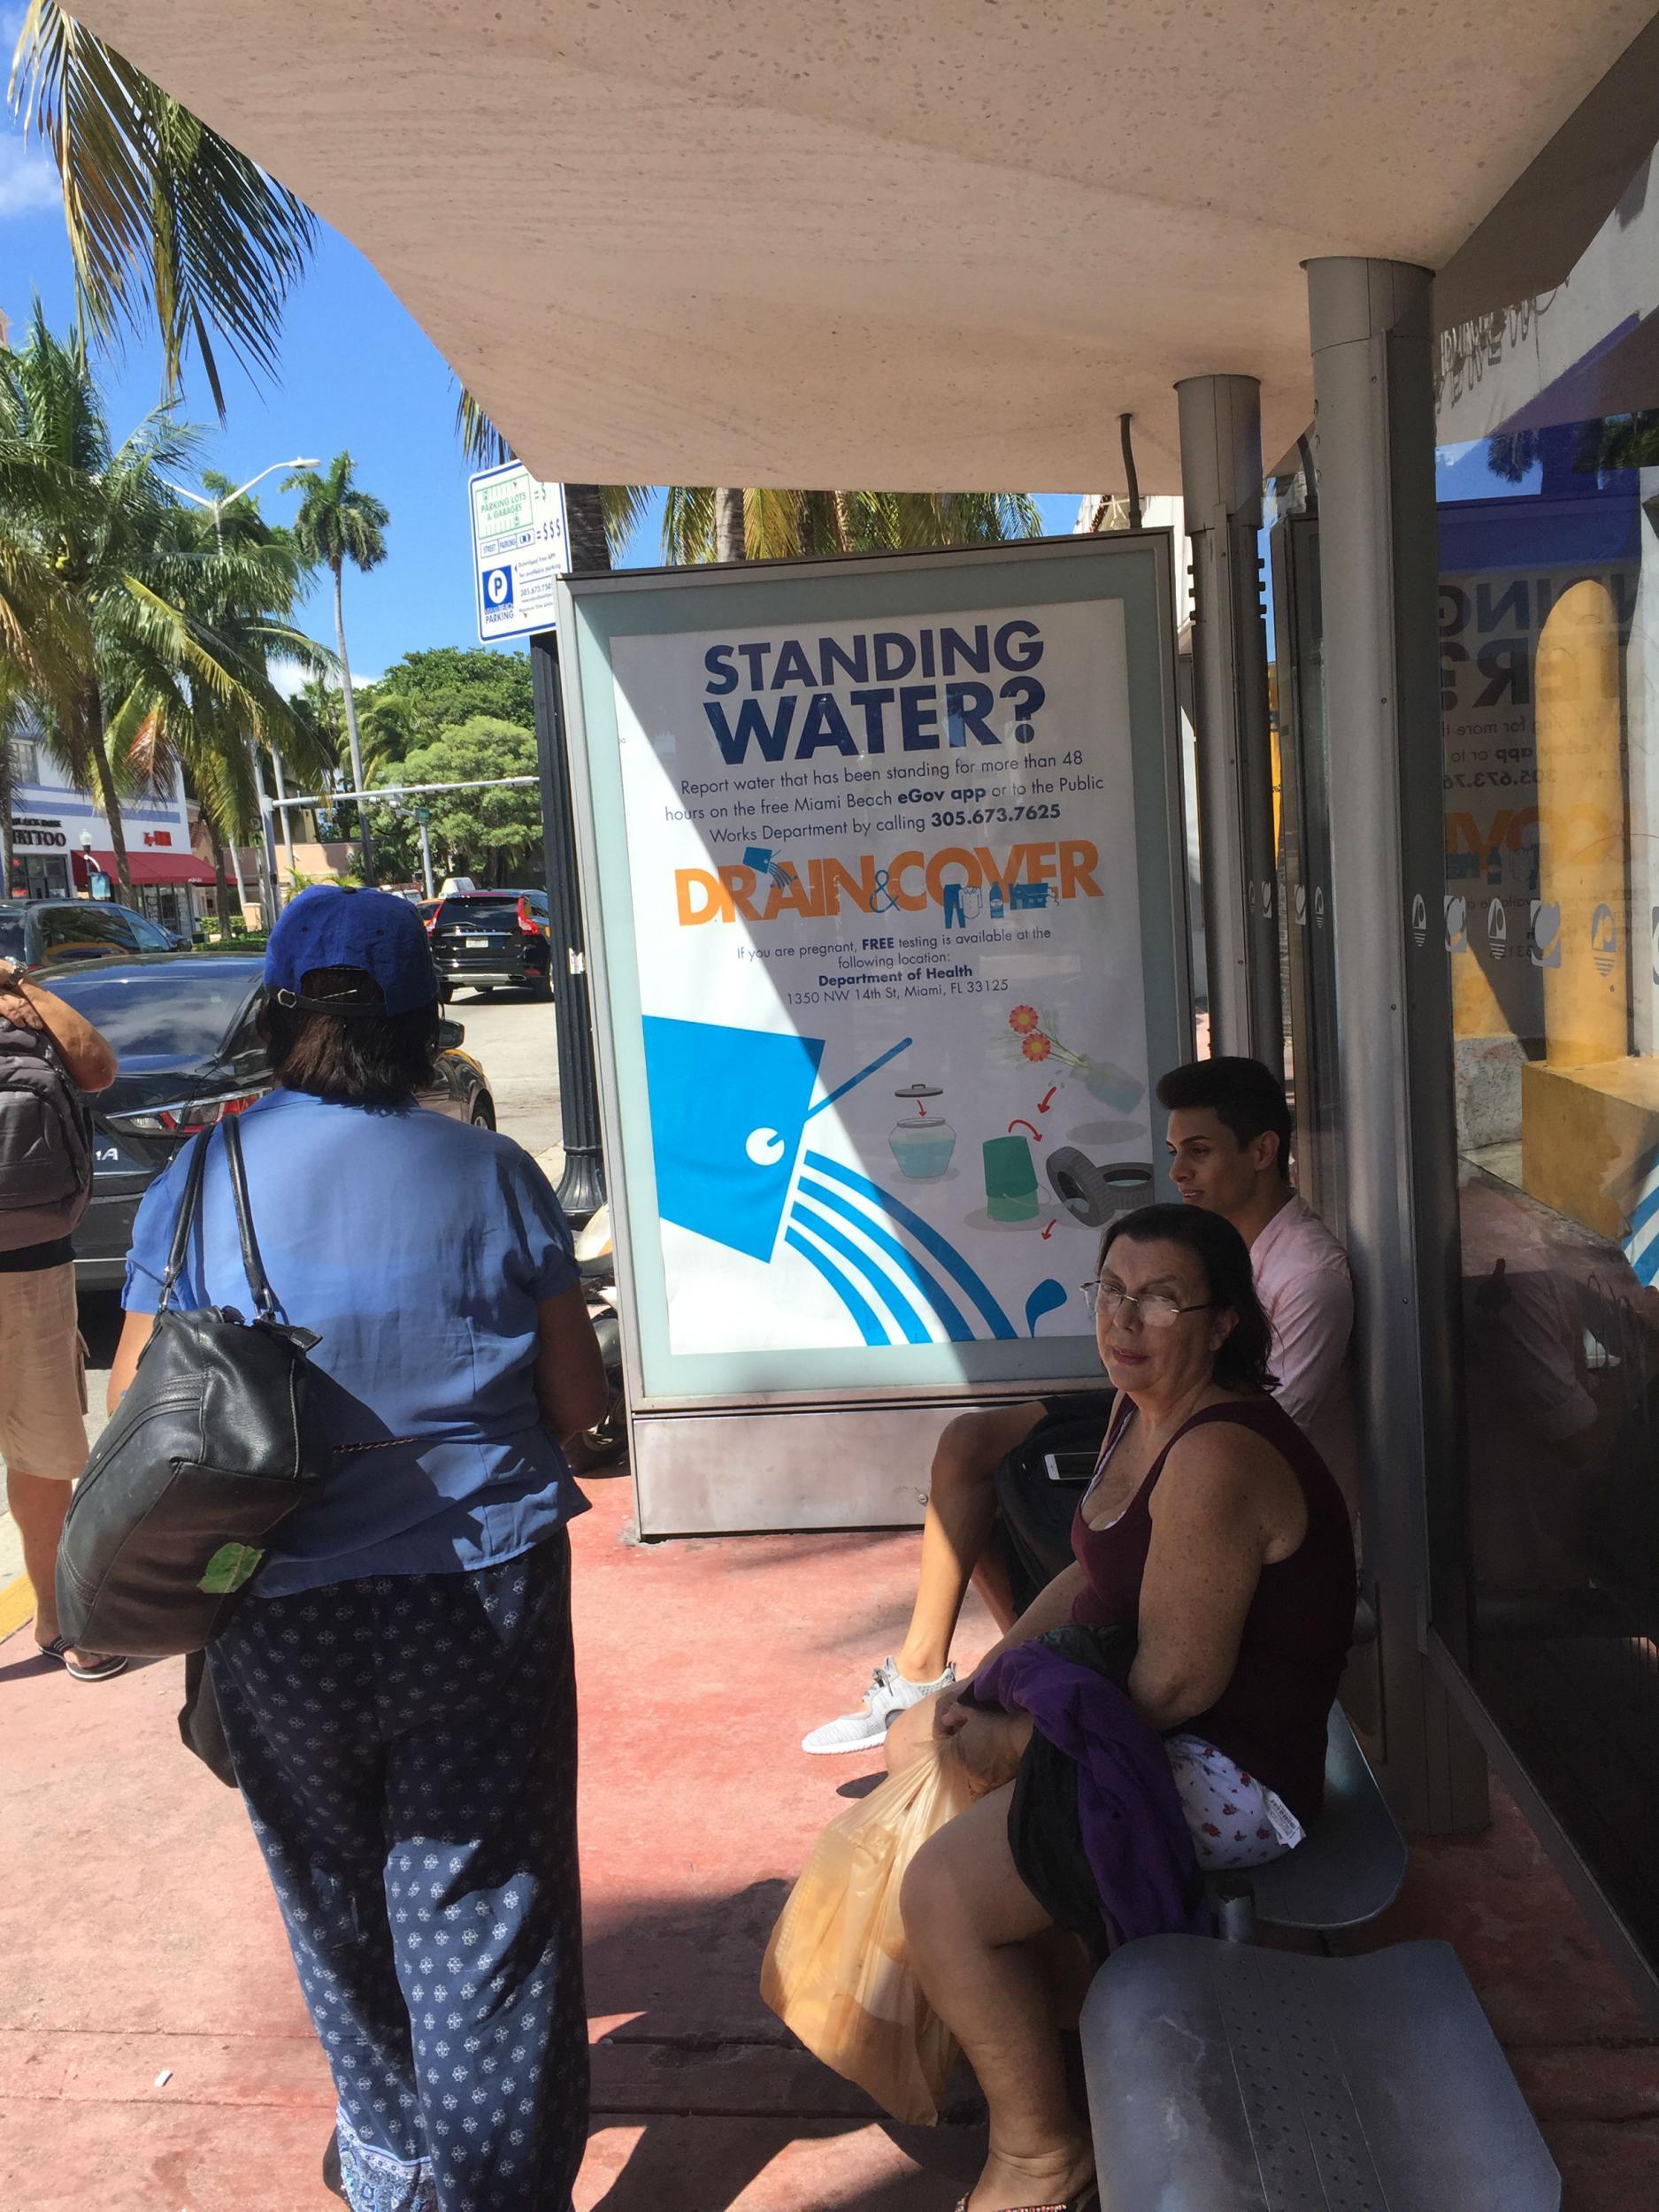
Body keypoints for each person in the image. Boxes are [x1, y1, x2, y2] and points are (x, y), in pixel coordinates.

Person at [106, 887, 607, 2212]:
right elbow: (577, 1407)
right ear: (418, 1026)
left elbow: (135, 1418)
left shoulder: (199, 1178)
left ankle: (392, 2176)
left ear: (278, 1020)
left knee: (333, 1898)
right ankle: (500, 2189)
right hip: (478, 1591)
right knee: (486, 1898)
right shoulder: (493, 1175)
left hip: (277, 1606)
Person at [890, 1203, 1356, 2212]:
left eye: (1158, 1298)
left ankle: (1042, 2153)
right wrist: (986, 1680)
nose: (1122, 1320)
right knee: (960, 1770)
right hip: (1162, 1729)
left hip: (1239, 1775)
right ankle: (1100, 2068)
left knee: (940, 1897)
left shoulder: (1217, 1453)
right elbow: (1087, 1579)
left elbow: (1177, 1682)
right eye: (1111, 1290)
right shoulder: (1138, 1410)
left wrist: (1027, 1735)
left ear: (1224, 1320)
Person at [803, 1055, 1356, 1755]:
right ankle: (937, 1675)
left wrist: (1021, 1743)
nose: (1179, 1171)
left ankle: (1028, 1689)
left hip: (1216, 1465)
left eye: (1199, 1151)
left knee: (1047, 1494)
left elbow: (1271, 1435)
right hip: (1164, 1406)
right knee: (972, 1442)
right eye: (1172, 1153)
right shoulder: (1204, 1249)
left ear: (1263, 1151)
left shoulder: (1306, 1277)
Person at [0, 956, 122, 1681]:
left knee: (45, 1456)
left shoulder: (21, 1004)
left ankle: (55, 1617)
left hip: (30, 1264)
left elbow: (98, 1069)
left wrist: (22, 986)